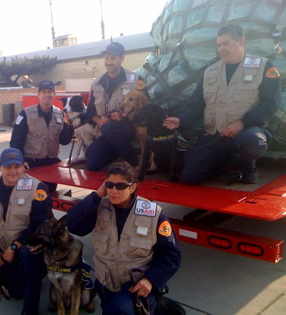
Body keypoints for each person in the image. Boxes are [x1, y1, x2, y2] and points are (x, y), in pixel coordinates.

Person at [164, 24, 281, 185]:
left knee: (254, 142)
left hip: (246, 132)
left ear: (241, 41)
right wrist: (181, 120)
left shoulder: (263, 66)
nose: (221, 49)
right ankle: (227, 163)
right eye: (218, 45)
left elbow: (271, 104)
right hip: (216, 135)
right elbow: (196, 105)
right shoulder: (210, 72)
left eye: (226, 44)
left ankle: (247, 167)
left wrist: (242, 123)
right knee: (190, 177)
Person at [66, 162, 181, 315]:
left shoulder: (153, 214)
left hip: (134, 286)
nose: (114, 191)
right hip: (105, 284)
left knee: (118, 310)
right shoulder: (99, 206)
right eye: (109, 185)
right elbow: (73, 226)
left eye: (120, 186)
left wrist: (151, 280)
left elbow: (171, 255)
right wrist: (97, 195)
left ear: (132, 187)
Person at [0, 148, 51, 315]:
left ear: (23, 166)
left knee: (29, 260)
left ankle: (30, 309)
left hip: (30, 247)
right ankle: (23, 274)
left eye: (17, 166)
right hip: (4, 250)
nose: (13, 171)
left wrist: (15, 246)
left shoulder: (37, 188)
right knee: (16, 292)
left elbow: (40, 224)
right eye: (8, 167)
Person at [86, 42, 149, 171]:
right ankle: (119, 151)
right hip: (106, 130)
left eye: (113, 58)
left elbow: (146, 108)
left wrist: (124, 116)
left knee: (110, 128)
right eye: (107, 58)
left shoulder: (136, 79)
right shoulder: (97, 82)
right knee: (92, 162)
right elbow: (90, 111)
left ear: (122, 58)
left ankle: (132, 160)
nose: (109, 62)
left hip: (129, 127)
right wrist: (99, 120)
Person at [10, 80, 74, 191]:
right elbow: (16, 141)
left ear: (54, 94)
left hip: (51, 163)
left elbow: (63, 141)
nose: (47, 94)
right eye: (44, 92)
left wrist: (71, 125)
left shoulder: (60, 114)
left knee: (49, 195)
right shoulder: (26, 113)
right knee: (27, 196)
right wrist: (19, 161)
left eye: (50, 92)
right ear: (38, 94)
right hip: (31, 164)